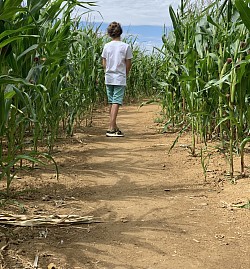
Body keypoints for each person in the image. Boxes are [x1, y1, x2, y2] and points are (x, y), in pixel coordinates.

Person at [102, 21, 133, 137]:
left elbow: (104, 62)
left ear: (110, 34)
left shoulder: (106, 46)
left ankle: (114, 126)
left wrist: (107, 72)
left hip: (108, 77)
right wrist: (125, 73)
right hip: (119, 77)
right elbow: (128, 63)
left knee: (111, 101)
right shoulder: (125, 46)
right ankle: (110, 128)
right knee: (116, 101)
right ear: (120, 32)